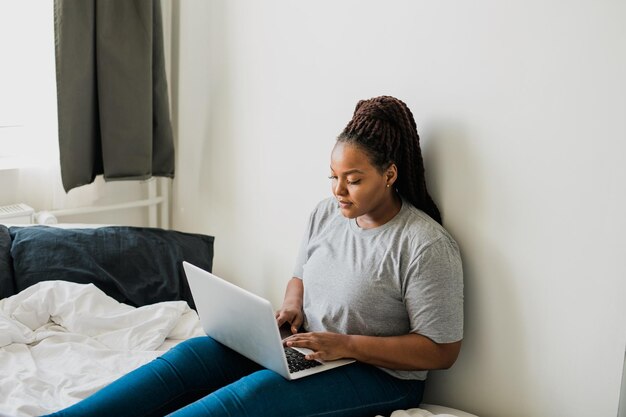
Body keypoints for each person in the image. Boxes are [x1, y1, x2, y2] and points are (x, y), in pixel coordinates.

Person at [45, 96, 463, 417]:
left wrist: (346, 344)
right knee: (188, 359)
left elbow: (441, 350)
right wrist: (291, 307)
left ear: (390, 174)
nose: (338, 192)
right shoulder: (327, 214)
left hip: (380, 376)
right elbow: (300, 275)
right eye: (333, 178)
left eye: (353, 181)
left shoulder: (424, 243)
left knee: (249, 397)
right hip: (308, 349)